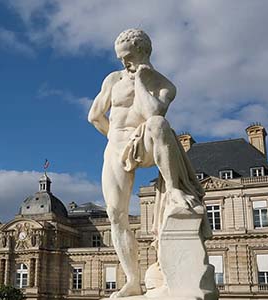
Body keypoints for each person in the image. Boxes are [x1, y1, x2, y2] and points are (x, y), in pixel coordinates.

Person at [88, 29, 205, 297]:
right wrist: (117, 138)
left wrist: (140, 80)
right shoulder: (113, 79)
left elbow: (153, 112)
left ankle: (174, 189)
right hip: (117, 144)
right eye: (120, 58)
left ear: (143, 52)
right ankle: (131, 280)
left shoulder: (164, 85)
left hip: (147, 140)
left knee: (157, 124)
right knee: (116, 214)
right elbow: (94, 116)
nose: (124, 64)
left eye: (128, 57)